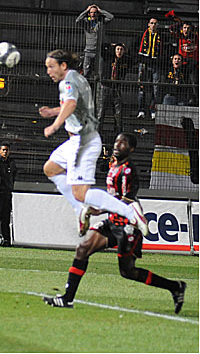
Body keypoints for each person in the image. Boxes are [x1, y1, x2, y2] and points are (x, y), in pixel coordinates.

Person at [43, 132, 187, 312]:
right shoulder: (113, 164)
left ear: (131, 149)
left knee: (128, 272)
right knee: (82, 249)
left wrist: (103, 208)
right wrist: (100, 209)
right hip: (112, 221)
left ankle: (175, 287)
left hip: (128, 225)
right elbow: (114, 196)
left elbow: (128, 198)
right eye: (117, 141)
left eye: (123, 143)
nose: (117, 145)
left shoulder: (128, 170)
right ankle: (67, 298)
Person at [39, 49, 148, 239]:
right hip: (76, 140)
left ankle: (130, 212)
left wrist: (54, 125)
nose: (48, 71)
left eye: (51, 67)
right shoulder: (75, 78)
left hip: (83, 142)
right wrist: (53, 111)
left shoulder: (67, 82)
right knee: (51, 169)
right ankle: (80, 210)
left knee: (81, 193)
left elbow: (71, 104)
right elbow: (74, 105)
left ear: (63, 66)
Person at [97, 43, 129, 140]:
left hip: (116, 89)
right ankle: (97, 133)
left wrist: (127, 49)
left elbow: (135, 58)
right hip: (105, 88)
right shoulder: (108, 57)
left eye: (121, 49)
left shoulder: (125, 61)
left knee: (118, 114)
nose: (119, 51)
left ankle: (118, 134)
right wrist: (111, 45)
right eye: (117, 49)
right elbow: (101, 48)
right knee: (101, 112)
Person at [75, 4, 114, 79]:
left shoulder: (101, 22)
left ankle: (98, 86)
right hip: (88, 51)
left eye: (95, 12)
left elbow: (111, 17)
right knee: (86, 73)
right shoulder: (86, 22)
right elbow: (78, 20)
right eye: (91, 12)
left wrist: (100, 10)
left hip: (99, 52)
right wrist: (86, 10)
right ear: (89, 14)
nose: (93, 14)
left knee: (100, 73)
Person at [136, 18, 162, 119]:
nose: (153, 25)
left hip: (156, 65)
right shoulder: (142, 35)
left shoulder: (161, 36)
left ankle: (152, 110)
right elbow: (136, 48)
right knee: (141, 87)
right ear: (148, 24)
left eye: (155, 23)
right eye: (151, 23)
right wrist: (141, 59)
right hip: (144, 64)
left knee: (155, 88)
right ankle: (141, 110)